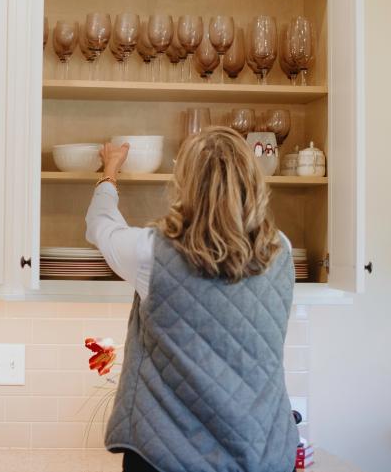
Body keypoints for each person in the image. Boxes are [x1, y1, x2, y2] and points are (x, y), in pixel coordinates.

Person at [86, 126, 298, 472]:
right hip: (262, 455)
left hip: (164, 457)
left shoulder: (150, 252)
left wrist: (110, 170)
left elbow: (101, 224)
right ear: (254, 182)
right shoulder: (282, 250)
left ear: (184, 183)